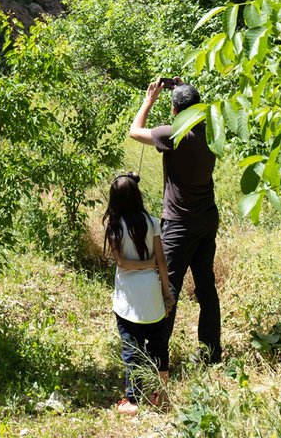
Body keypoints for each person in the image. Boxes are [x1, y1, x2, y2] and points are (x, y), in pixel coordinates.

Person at [129, 78, 222, 366]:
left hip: (180, 224)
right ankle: (211, 354)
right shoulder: (211, 130)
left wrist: (148, 101)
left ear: (174, 111)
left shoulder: (174, 134)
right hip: (207, 218)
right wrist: (184, 88)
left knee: (168, 288)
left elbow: (134, 131)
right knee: (206, 287)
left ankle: (158, 359)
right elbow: (192, 108)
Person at [103, 171, 175, 416]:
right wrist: (166, 293)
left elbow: (122, 262)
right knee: (158, 345)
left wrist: (143, 264)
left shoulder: (114, 226)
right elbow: (162, 262)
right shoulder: (152, 222)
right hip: (152, 295)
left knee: (131, 349)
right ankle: (160, 396)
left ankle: (132, 400)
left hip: (128, 299)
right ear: (137, 195)